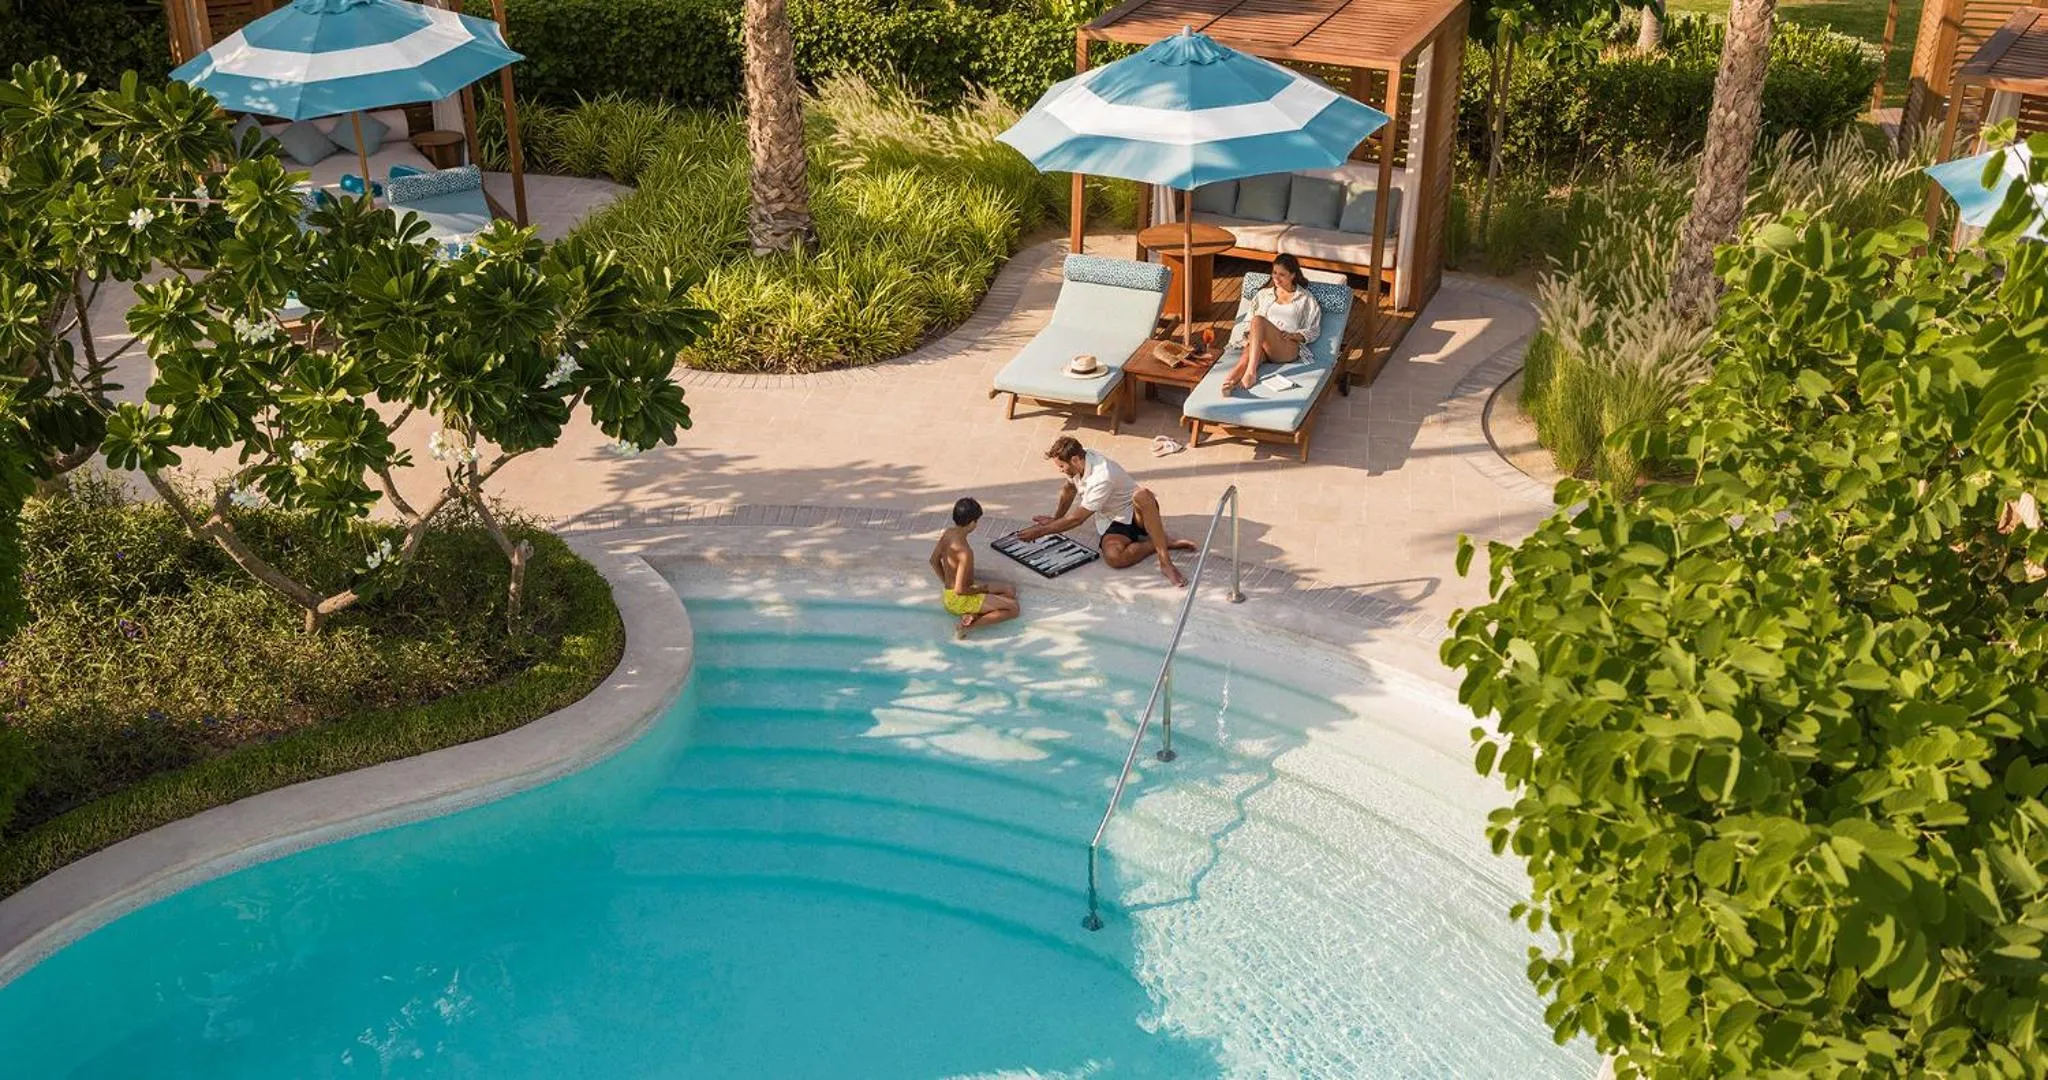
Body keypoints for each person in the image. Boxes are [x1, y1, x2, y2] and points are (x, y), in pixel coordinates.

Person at [1012, 436, 1196, 587]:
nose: (1060, 470)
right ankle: (1158, 542)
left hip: (1136, 513)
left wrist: (1039, 532)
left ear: (1075, 460)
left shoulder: (1102, 476)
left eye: (1062, 466)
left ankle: (1165, 562)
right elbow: (1069, 489)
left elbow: (1076, 520)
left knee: (1143, 495)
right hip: (1113, 519)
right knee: (1114, 558)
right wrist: (1055, 520)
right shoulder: (1080, 461)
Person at [1220, 252, 1319, 394]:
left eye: (1282, 274)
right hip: (1265, 346)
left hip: (1287, 346)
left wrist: (1295, 335)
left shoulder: (1305, 299)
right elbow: (1248, 321)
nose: (1276, 278)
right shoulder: (1263, 295)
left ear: (1293, 275)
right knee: (1245, 357)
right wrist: (1251, 336)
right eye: (1274, 273)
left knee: (1258, 320)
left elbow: (1314, 329)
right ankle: (1228, 384)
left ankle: (1251, 373)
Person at [929, 496, 1019, 638]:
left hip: (951, 595)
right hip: (960, 600)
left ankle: (972, 614)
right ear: (972, 522)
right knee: (1013, 608)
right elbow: (959, 590)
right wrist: (982, 589)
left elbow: (933, 561)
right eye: (977, 521)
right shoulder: (965, 552)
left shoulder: (948, 533)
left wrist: (947, 584)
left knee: (1010, 590)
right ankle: (966, 627)